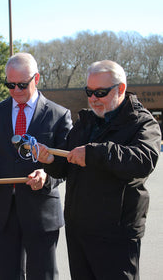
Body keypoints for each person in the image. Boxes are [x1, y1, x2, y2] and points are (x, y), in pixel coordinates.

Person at [37, 60, 162, 280]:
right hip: (79, 231)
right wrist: (50, 160)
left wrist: (95, 153)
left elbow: (144, 160)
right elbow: (65, 167)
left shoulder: (143, 122)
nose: (94, 98)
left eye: (101, 92)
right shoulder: (85, 121)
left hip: (116, 234)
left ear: (121, 89)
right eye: (89, 91)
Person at [0, 52, 73, 280]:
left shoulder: (59, 115)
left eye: (22, 84)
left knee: (43, 275)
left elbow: (65, 164)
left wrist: (47, 176)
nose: (16, 90)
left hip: (41, 212)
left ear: (36, 78)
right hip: (1, 211)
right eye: (10, 84)